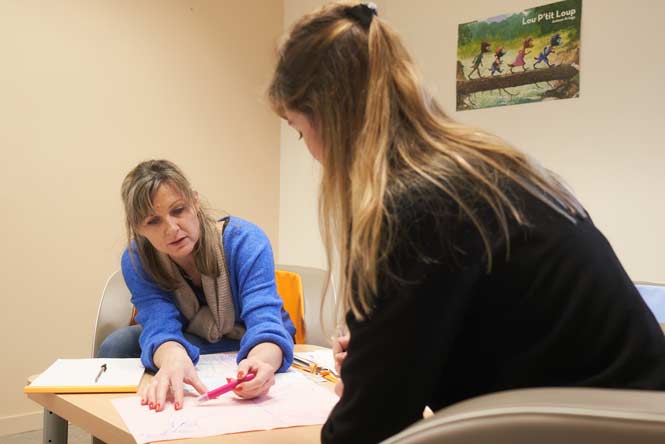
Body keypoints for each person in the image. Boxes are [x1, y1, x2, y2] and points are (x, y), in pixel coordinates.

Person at [268, 2, 665, 443]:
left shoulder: (416, 206)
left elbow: (367, 429)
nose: (311, 153)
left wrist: (372, 384)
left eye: (300, 130)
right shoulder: (479, 171)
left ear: (329, 118)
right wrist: (381, 355)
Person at [98, 159, 295, 412]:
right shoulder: (138, 260)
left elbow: (265, 322)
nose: (171, 229)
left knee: (264, 350)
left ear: (194, 201)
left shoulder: (246, 241)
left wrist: (260, 363)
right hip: (192, 336)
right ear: (138, 228)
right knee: (116, 344)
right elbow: (159, 324)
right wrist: (173, 358)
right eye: (153, 222)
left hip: (252, 337)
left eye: (178, 210)